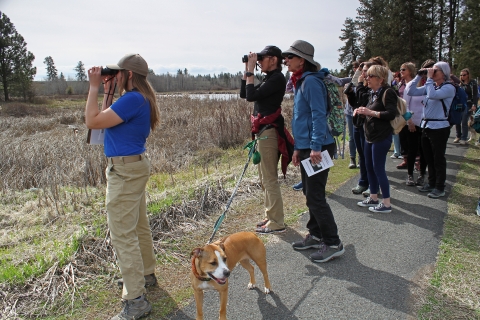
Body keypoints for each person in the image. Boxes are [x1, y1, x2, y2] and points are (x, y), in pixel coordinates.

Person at [85, 53, 160, 319]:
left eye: (118, 73)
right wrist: (107, 91)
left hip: (125, 172)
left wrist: (94, 87)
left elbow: (92, 121)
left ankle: (136, 300)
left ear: (128, 74)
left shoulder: (132, 99)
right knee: (138, 224)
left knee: (122, 233)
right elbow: (103, 119)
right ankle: (145, 274)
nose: (114, 76)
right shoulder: (139, 98)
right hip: (133, 166)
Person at [284, 40, 344, 263]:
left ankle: (333, 242)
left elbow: (318, 115)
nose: (286, 60)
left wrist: (316, 147)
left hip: (319, 146)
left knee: (316, 196)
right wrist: (300, 148)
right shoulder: (300, 82)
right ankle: (316, 233)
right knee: (309, 193)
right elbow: (302, 119)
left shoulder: (309, 82)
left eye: (290, 57)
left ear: (303, 61)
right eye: (286, 57)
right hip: (309, 146)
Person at [240, 45, 292, 234]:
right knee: (263, 178)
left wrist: (251, 71)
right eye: (258, 58)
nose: (259, 61)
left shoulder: (278, 78)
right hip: (263, 132)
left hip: (270, 133)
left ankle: (277, 222)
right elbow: (245, 93)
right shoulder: (269, 78)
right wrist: (247, 71)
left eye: (262, 58)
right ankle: (270, 215)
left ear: (274, 60)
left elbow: (251, 95)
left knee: (269, 178)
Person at [406, 61, 456, 198]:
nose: (432, 73)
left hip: (440, 127)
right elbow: (411, 91)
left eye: (435, 71)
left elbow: (433, 95)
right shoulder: (431, 86)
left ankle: (440, 187)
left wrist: (428, 79)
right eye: (431, 71)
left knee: (438, 158)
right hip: (426, 126)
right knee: (428, 157)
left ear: (444, 73)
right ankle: (431, 182)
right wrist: (418, 76)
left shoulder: (449, 88)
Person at [354, 65, 397, 213]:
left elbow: (391, 114)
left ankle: (386, 203)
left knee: (379, 169)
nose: (367, 78)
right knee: (369, 167)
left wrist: (370, 112)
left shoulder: (388, 92)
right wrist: (361, 112)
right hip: (369, 136)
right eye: (367, 75)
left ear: (381, 79)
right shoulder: (372, 93)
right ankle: (373, 197)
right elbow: (370, 111)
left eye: (371, 76)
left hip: (381, 136)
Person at [402, 62, 427, 186]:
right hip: (413, 123)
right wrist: (409, 121)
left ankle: (422, 174)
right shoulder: (410, 86)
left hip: (425, 123)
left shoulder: (427, 85)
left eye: (403, 69)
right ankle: (410, 175)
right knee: (412, 149)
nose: (401, 71)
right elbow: (405, 105)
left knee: (423, 149)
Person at [455, 68, 478, 145]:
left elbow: (475, 95)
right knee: (457, 120)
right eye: (461, 75)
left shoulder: (473, 83)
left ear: (468, 75)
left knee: (464, 121)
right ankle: (458, 136)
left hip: (468, 104)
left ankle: (464, 138)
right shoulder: (460, 84)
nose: (462, 76)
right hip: (459, 104)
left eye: (464, 75)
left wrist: (474, 104)